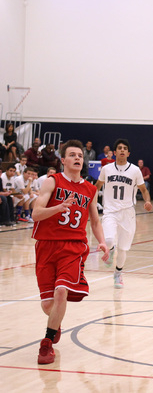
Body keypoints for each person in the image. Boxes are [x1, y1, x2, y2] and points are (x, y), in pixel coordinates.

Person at [31, 139, 108, 365]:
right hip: (46, 246)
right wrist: (58, 207)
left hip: (73, 247)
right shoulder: (52, 182)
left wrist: (102, 242)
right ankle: (55, 323)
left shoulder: (89, 189)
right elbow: (36, 214)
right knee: (48, 305)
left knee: (62, 291)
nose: (77, 158)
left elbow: (95, 221)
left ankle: (46, 344)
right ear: (63, 160)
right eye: (72, 155)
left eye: (80, 156)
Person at [94, 139, 153, 288]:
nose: (121, 150)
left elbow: (144, 189)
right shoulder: (106, 169)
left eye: (124, 148)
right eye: (119, 148)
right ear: (114, 153)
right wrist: (92, 203)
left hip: (127, 213)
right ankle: (110, 250)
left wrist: (147, 201)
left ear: (128, 153)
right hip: (110, 211)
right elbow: (96, 187)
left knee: (123, 248)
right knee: (108, 240)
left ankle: (118, 273)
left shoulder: (134, 170)